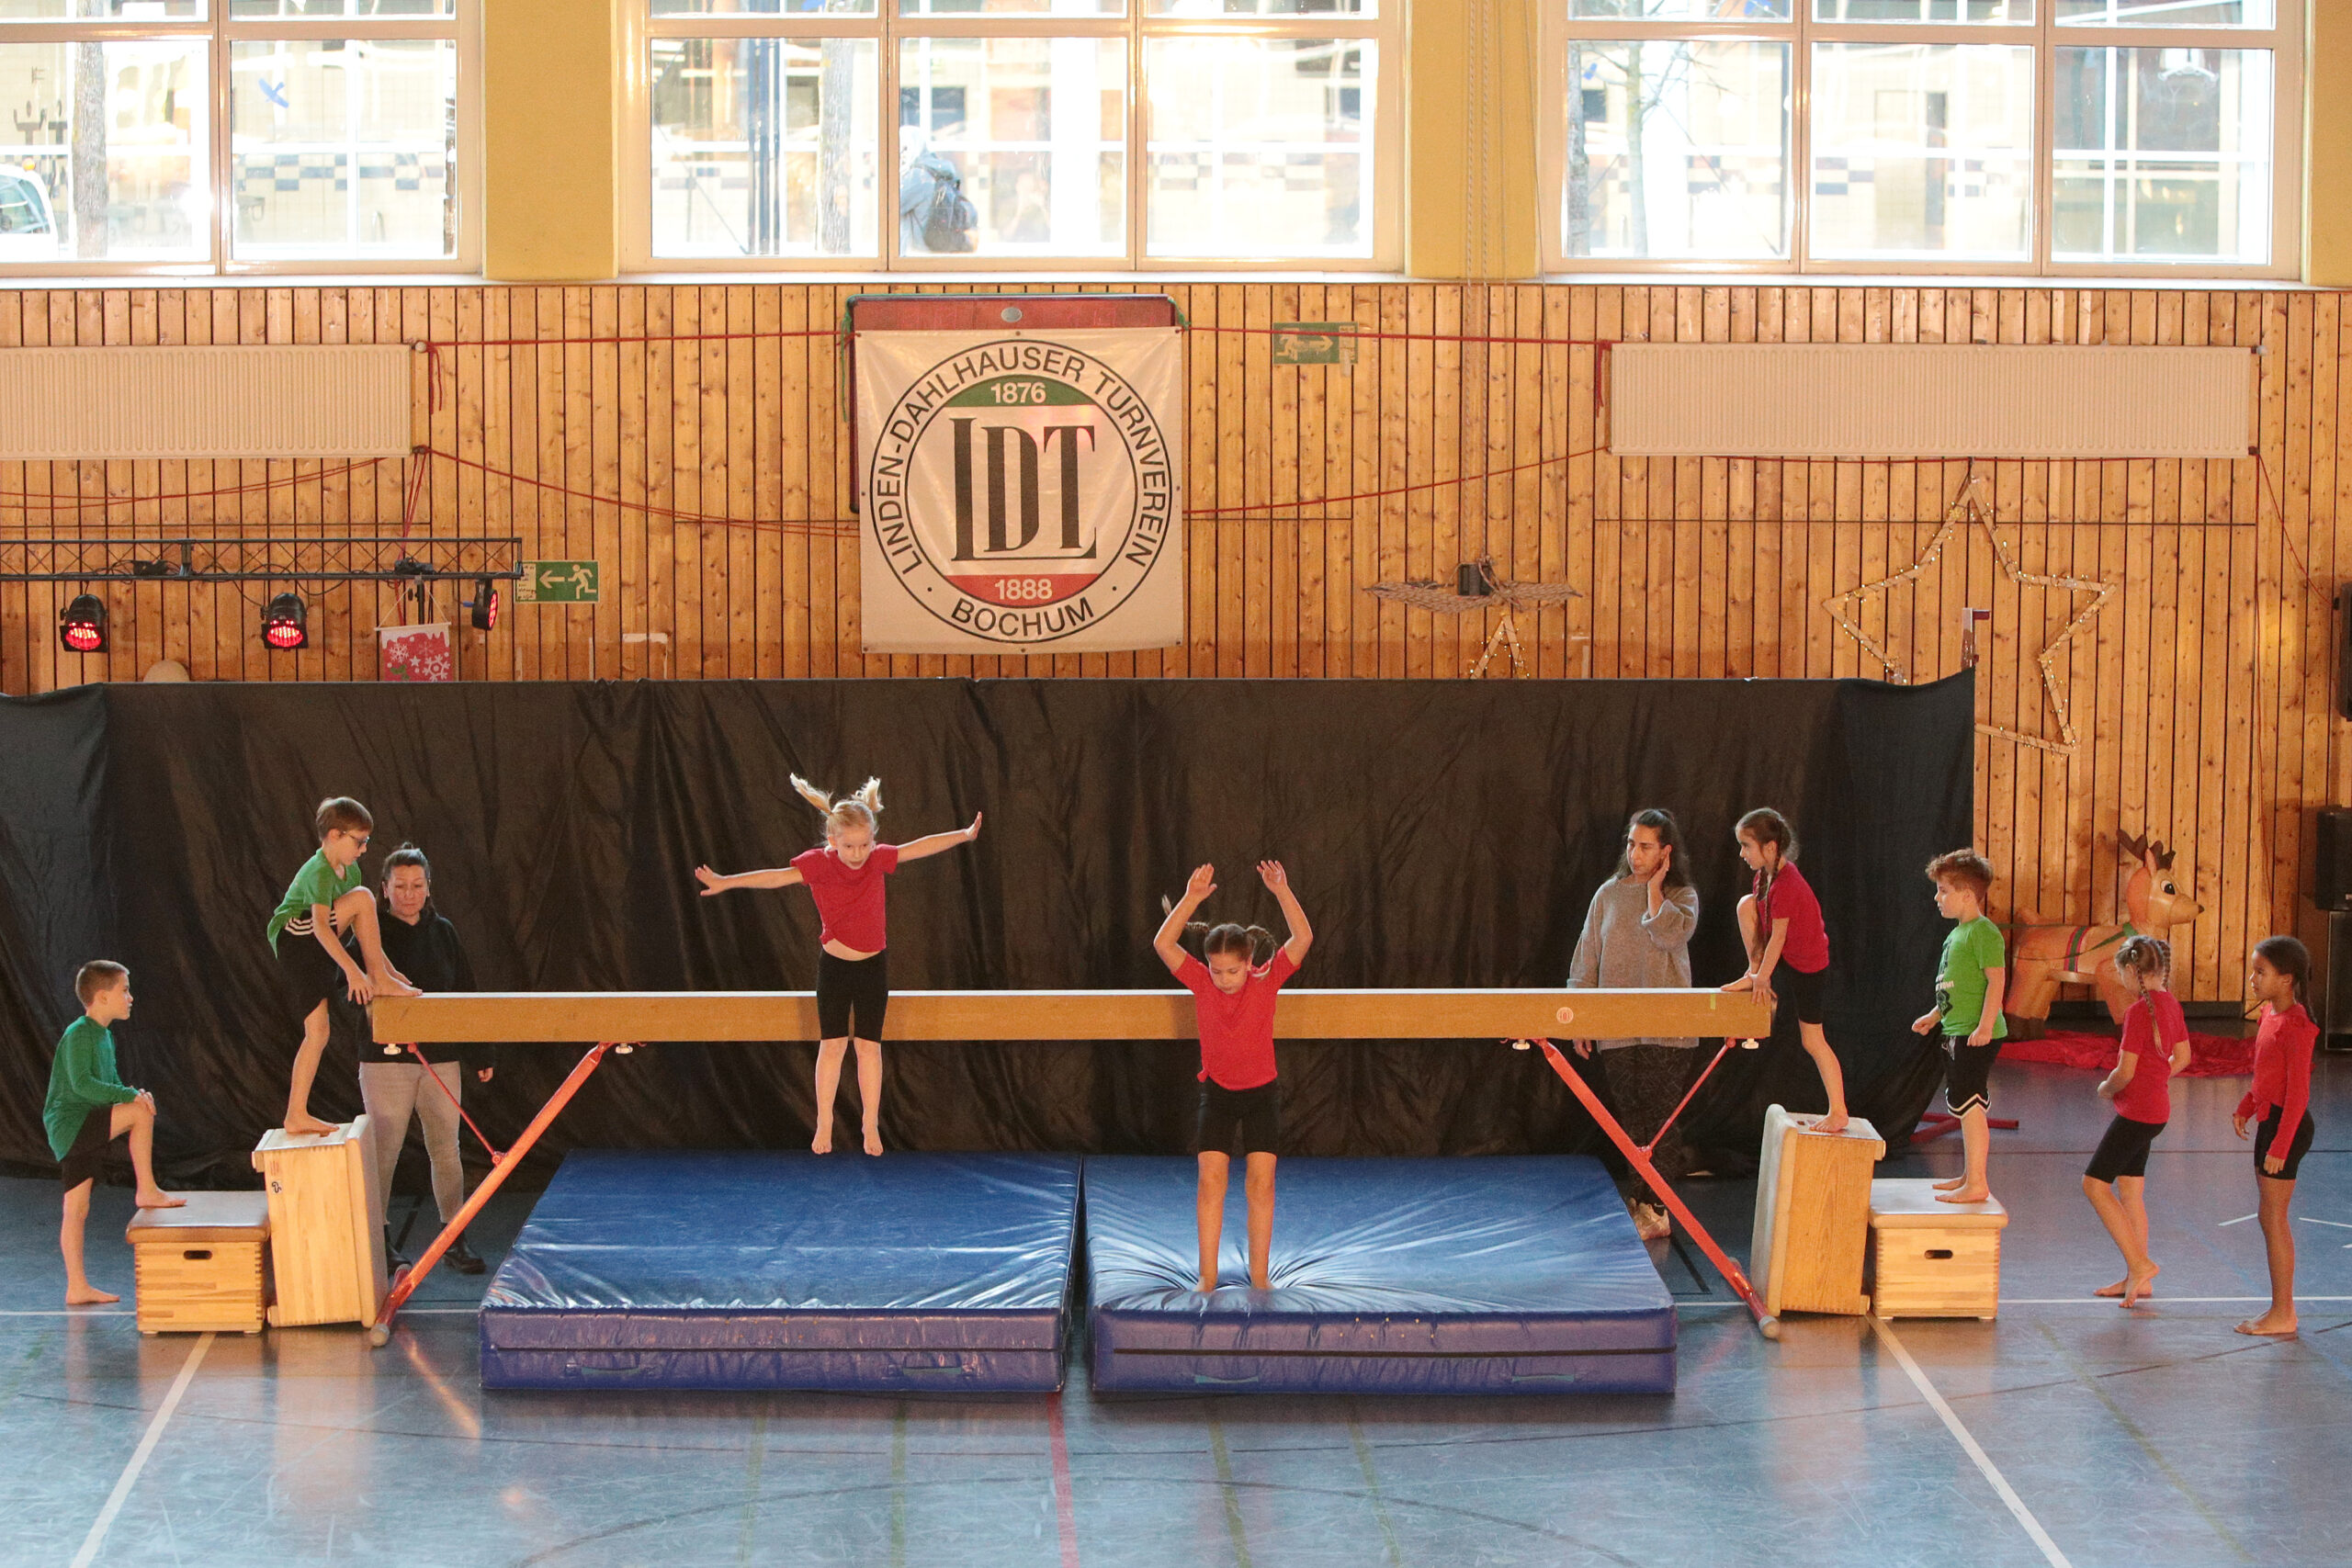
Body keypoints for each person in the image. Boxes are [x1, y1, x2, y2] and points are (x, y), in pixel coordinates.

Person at [695, 776, 981, 1156]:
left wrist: (963, 835)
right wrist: (726, 882)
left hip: (873, 967)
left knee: (868, 1048)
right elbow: (776, 878)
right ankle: (824, 1120)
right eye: (849, 846)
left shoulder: (877, 859)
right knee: (831, 1046)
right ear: (832, 840)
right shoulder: (819, 864)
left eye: (864, 844)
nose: (858, 853)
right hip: (835, 968)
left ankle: (870, 1123)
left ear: (873, 840)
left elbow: (918, 848)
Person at [1154, 860, 1313, 1292]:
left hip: (1262, 1095)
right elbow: (1164, 943)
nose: (1224, 980)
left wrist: (1281, 891)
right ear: (1207, 966)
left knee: (1261, 1185)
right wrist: (1191, 898)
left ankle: (1259, 1277)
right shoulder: (1201, 983)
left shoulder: (1267, 980)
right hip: (1219, 1094)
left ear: (1249, 962)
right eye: (1217, 970)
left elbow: (1303, 938)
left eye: (1232, 971)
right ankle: (1207, 1277)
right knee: (1211, 1182)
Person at [1543, 808, 1701, 1242]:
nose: (1635, 854)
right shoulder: (1608, 895)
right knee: (1630, 1121)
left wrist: (1653, 891)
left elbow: (1669, 935)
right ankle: (1640, 1199)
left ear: (1666, 852)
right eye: (1632, 844)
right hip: (1617, 1028)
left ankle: (1659, 1207)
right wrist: (1580, 1019)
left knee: (1659, 1120)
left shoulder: (1682, 897)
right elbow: (1586, 958)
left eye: (1646, 846)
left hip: (1667, 1031)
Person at [363, 844, 495, 1275]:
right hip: (385, 1063)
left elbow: (466, 992)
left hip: (440, 1059)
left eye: (417, 885)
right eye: (400, 886)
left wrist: (480, 1051)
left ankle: (454, 1235)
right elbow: (349, 985)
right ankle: (378, 1238)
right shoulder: (368, 932)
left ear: (428, 888)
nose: (409, 894)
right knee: (383, 1151)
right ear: (384, 889)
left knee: (447, 1148)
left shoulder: (444, 932)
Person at [267, 796, 415, 1138]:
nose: (364, 849)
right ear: (334, 835)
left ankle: (295, 1114)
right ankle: (378, 978)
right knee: (363, 897)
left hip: (311, 945)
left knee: (318, 1033)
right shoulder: (319, 871)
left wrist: (388, 971)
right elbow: (321, 927)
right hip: (294, 936)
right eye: (359, 841)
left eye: (366, 841)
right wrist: (355, 972)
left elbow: (364, 932)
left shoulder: (351, 871)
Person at [46, 961, 183, 1305]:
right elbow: (82, 1085)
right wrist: (130, 1097)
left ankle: (77, 1287)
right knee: (139, 1112)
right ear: (102, 997)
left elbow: (111, 1084)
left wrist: (133, 1093)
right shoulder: (79, 1033)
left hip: (86, 1121)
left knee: (76, 1209)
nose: (131, 997)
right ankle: (146, 1190)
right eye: (125, 990)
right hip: (72, 1124)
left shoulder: (104, 1035)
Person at [1721, 808, 1847, 1134]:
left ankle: (1839, 1110)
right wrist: (1757, 973)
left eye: (1746, 846)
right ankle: (1753, 973)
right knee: (1746, 904)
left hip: (1808, 966)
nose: (1742, 853)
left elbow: (1778, 936)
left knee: (1813, 1040)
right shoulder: (1764, 877)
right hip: (1786, 955)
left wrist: (1764, 978)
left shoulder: (1788, 884)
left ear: (1771, 847)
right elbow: (1763, 926)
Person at [2082, 935, 2189, 1308]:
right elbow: (2184, 1057)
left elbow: (2124, 1071)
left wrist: (2105, 1088)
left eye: (2120, 973)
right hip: (2156, 1110)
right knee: (2130, 1191)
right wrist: (2158, 1078)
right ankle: (2136, 1279)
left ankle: (2140, 1264)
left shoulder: (2138, 1012)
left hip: (2137, 1113)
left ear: (2132, 970)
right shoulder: (2170, 1004)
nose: (2121, 980)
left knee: (2094, 1185)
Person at [2233, 934, 2318, 1337]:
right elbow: (2267, 1075)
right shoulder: (2269, 1014)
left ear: (2287, 979)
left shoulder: (2297, 1027)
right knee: (2268, 1216)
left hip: (2288, 1126)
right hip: (2271, 1120)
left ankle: (2284, 1312)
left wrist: (2281, 1145)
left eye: (2260, 972)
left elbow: (2298, 1094)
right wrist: (2247, 1105)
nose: (2253, 979)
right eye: (2253, 971)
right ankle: (2279, 1308)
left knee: (2274, 1218)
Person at [1911, 850, 2007, 1206]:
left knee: (1970, 1105)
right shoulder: (1957, 934)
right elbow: (1954, 985)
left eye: (1943, 891)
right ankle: (1969, 1175)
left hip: (1973, 1034)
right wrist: (1935, 1015)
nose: (1937, 898)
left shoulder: (1984, 932)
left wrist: (1984, 1026)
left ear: (1967, 895)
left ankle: (1978, 1182)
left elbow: (1996, 981)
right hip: (1956, 1029)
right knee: (1964, 1103)